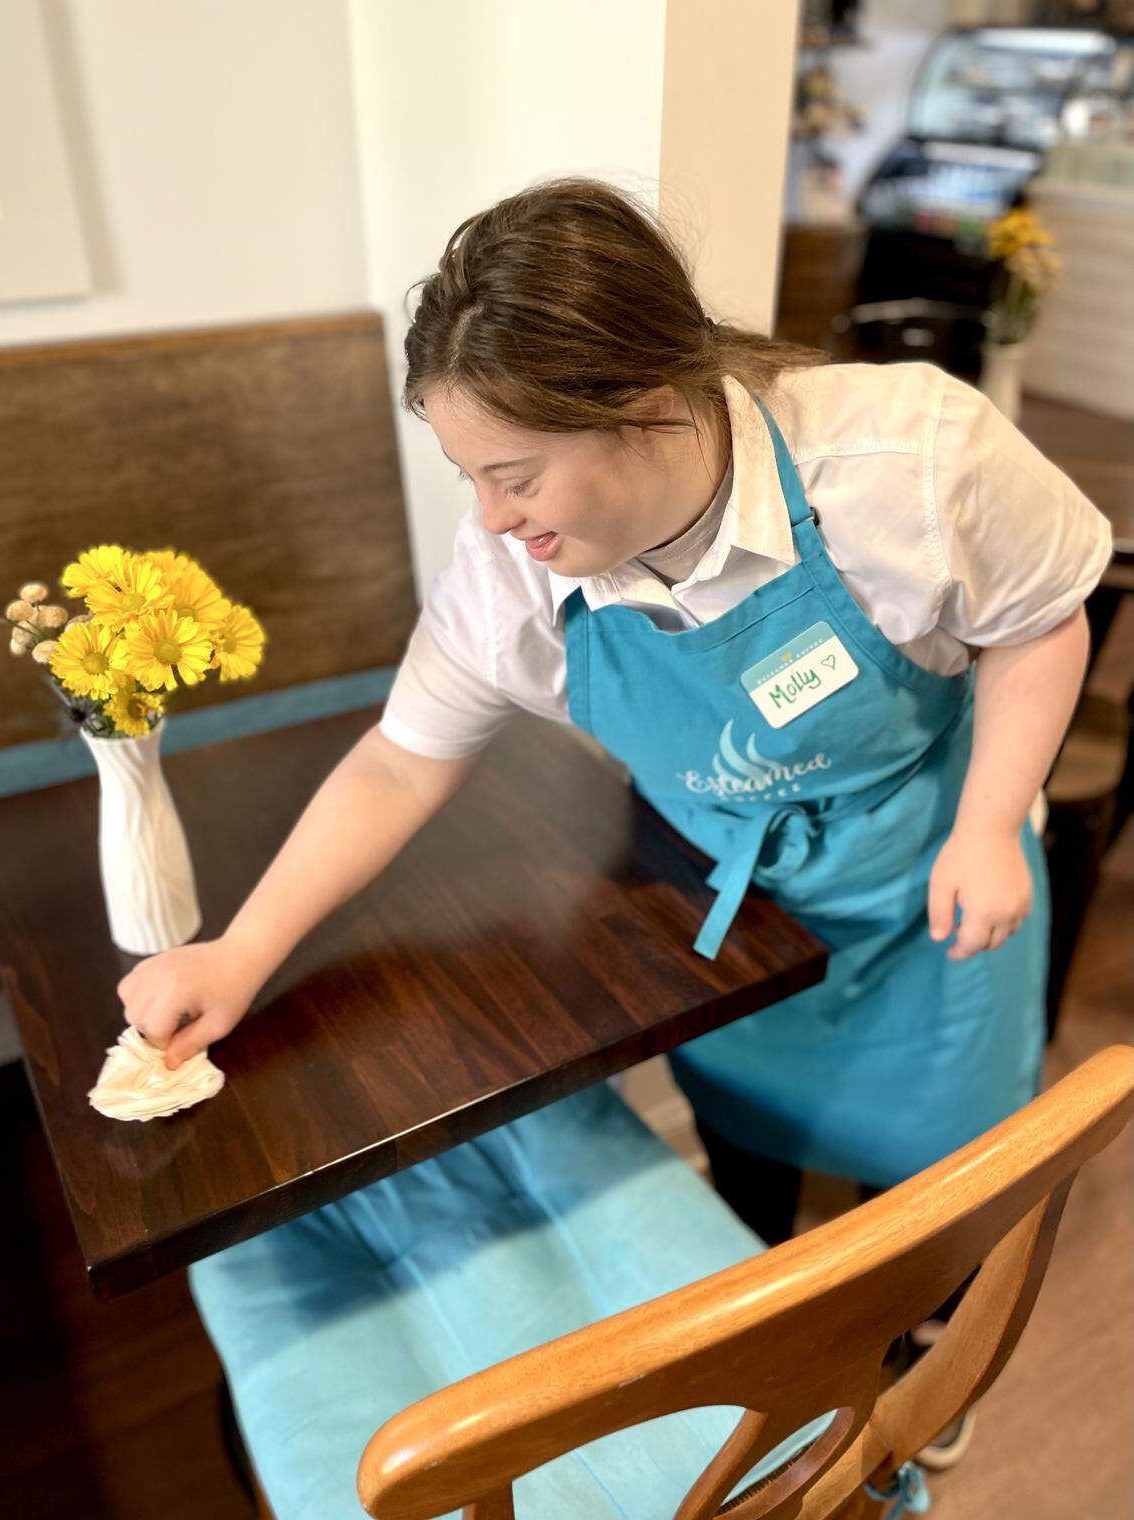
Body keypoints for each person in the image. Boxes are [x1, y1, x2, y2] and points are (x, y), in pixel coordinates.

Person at [118, 177, 1109, 1248]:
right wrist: (238, 952)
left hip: (934, 888)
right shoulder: (514, 573)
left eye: (517, 476)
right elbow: (401, 760)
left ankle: (923, 1326)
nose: (494, 520)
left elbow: (1041, 623)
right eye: (470, 478)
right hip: (738, 913)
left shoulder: (905, 464)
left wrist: (989, 823)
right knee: (750, 1147)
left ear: (643, 398)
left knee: (942, 1182)